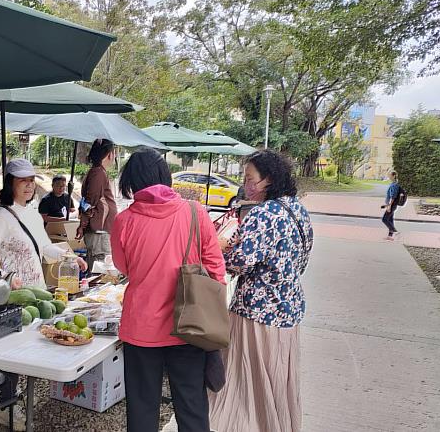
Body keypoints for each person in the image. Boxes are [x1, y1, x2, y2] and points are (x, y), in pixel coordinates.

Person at [111, 149, 226, 432]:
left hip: (140, 328)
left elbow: (123, 266)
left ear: (132, 182)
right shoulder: (195, 212)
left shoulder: (124, 221)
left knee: (141, 405)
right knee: (191, 405)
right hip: (189, 326)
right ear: (165, 176)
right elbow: (216, 269)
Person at [0, 158, 87, 430]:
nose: (27, 186)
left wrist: (70, 255)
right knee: (12, 353)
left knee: (24, 351)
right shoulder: (2, 217)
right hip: (13, 295)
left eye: (31, 180)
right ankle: (6, 406)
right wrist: (6, 277)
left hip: (35, 292)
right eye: (21, 180)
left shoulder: (33, 214)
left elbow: (45, 247)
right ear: (10, 183)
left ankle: (11, 402)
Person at [210, 150, 313, 432]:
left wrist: (219, 248)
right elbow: (302, 259)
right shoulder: (297, 209)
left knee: (248, 380)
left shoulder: (264, 213)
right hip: (288, 309)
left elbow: (241, 261)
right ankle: (276, 423)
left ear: (268, 180)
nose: (246, 185)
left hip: (256, 311)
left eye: (250, 178)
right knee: (277, 379)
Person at [78, 139, 118, 271]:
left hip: (98, 231)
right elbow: (89, 203)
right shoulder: (98, 173)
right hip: (99, 232)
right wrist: (82, 225)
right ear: (109, 154)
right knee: (101, 270)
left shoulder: (97, 171)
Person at [382, 171, 401, 240]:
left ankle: (396, 232)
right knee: (390, 219)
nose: (389, 176)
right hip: (391, 204)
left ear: (393, 176)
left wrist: (389, 206)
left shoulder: (395, 185)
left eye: (390, 175)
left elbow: (393, 196)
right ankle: (390, 236)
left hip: (392, 205)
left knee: (384, 219)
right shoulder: (393, 183)